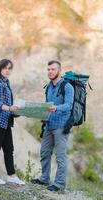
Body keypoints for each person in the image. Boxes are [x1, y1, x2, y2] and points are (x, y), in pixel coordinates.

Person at [31, 60, 74, 191]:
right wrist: (43, 116)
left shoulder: (67, 86)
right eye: (48, 69)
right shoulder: (48, 87)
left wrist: (56, 108)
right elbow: (46, 106)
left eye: (53, 69)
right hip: (49, 125)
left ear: (59, 71)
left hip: (61, 126)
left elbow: (68, 106)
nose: (50, 72)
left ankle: (59, 183)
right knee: (44, 152)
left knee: (60, 156)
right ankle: (44, 179)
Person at [0, 59, 25, 185]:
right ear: (0, 68)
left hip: (5, 120)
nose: (7, 70)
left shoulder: (5, 82)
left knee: (8, 148)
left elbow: (5, 103)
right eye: (5, 68)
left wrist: (14, 110)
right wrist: (9, 108)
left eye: (9, 68)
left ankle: (11, 176)